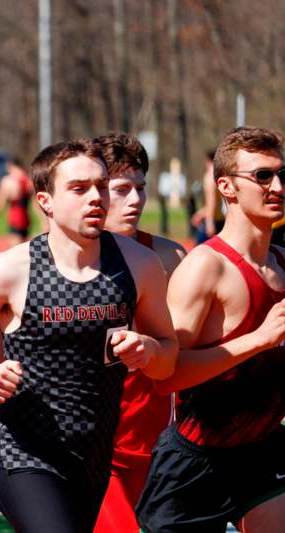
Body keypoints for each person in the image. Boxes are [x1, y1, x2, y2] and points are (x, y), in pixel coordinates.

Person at [0, 139, 177, 532]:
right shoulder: (11, 268)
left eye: (99, 186)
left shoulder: (140, 264)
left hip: (95, 457)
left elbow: (168, 359)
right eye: (79, 189)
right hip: (26, 457)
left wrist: (147, 349)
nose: (95, 197)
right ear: (45, 200)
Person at [136, 127, 285, 532]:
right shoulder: (206, 267)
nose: (278, 186)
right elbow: (166, 377)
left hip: (264, 449)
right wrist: (259, 340)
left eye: (281, 173)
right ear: (227, 187)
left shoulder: (283, 264)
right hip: (195, 460)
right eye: (262, 176)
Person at [89, 132, 186, 533]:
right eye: (121, 189)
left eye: (141, 188)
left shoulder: (170, 256)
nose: (135, 201)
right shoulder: (58, 259)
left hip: (156, 439)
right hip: (90, 441)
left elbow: (187, 347)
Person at [0, 156, 36, 245]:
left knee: (15, 250)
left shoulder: (8, 181)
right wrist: (44, 221)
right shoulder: (28, 179)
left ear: (10, 166)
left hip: (15, 218)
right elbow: (35, 203)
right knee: (24, 249)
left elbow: (0, 202)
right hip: (26, 218)